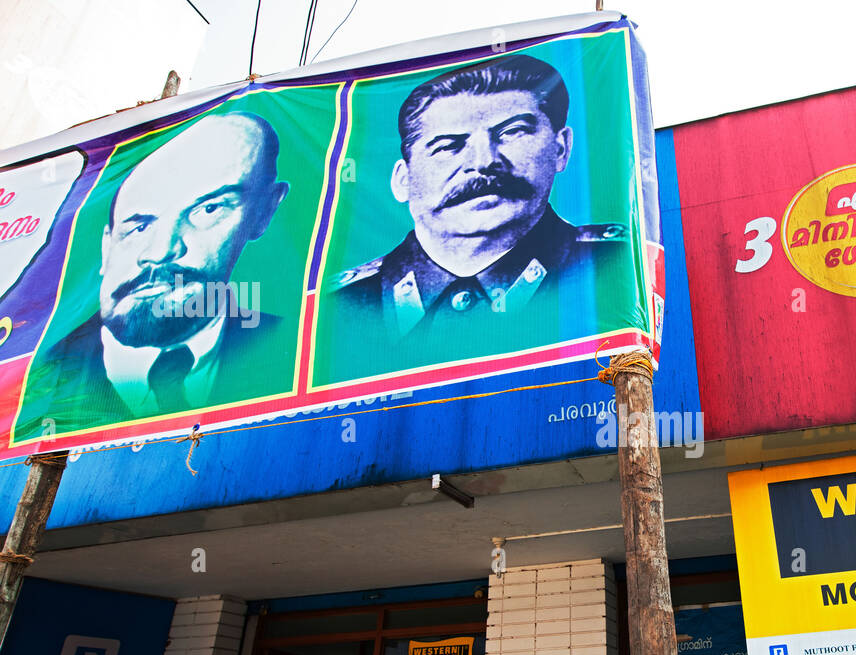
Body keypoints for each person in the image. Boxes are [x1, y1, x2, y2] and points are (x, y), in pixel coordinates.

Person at [322, 54, 630, 383]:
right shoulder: (337, 306)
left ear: (560, 148)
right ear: (402, 180)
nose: (483, 162)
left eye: (512, 132)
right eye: (447, 146)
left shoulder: (616, 265)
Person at [16, 111, 293, 439]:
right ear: (107, 247)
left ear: (264, 211)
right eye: (139, 226)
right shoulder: (33, 382)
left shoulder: (294, 350)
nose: (160, 252)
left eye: (207, 210)